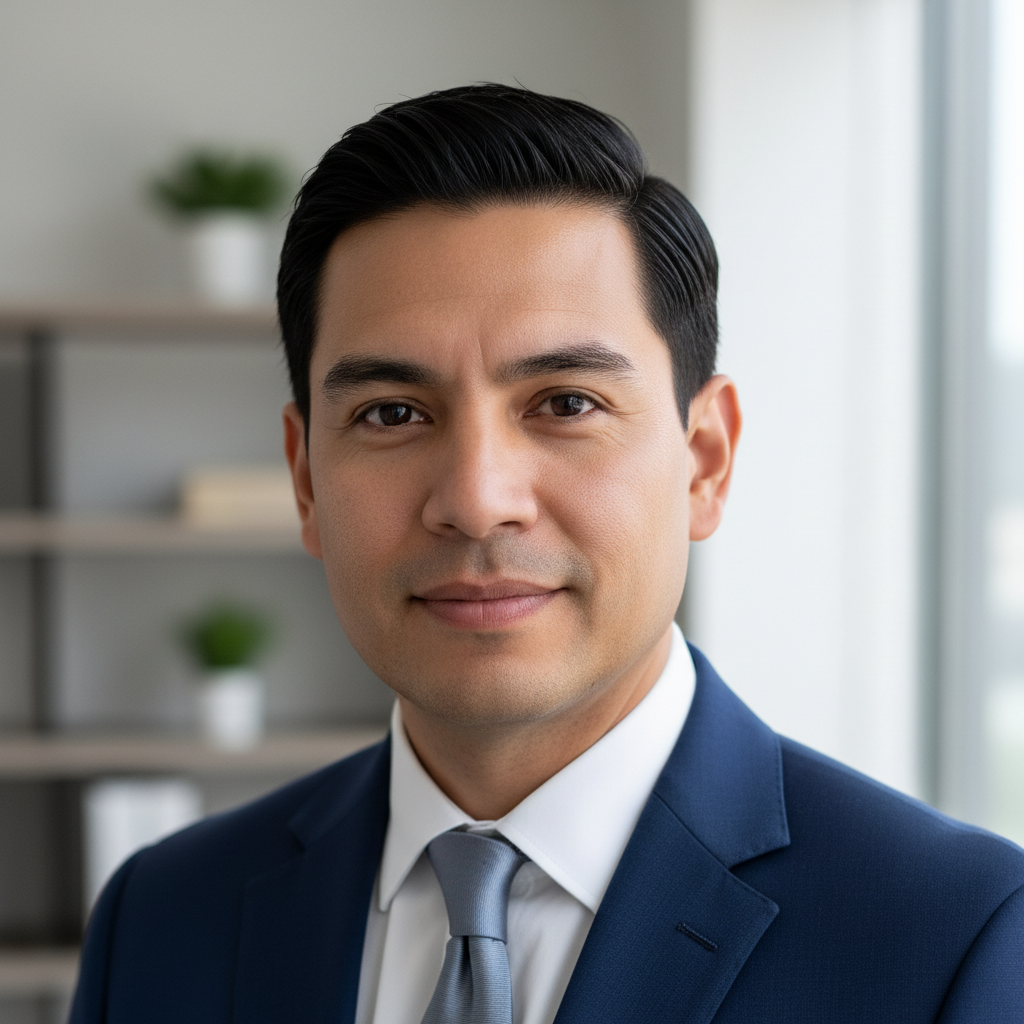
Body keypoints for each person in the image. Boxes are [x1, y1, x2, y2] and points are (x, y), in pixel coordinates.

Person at [70, 84, 1024, 1024]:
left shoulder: (958, 940)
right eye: (392, 414)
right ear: (306, 478)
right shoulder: (163, 918)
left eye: (567, 403)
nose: (478, 502)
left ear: (704, 460)